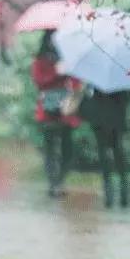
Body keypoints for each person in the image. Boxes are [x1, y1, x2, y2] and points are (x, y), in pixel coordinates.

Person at [30, 31, 81, 198]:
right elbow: (39, 80)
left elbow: (76, 80)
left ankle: (60, 180)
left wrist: (71, 79)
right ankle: (54, 184)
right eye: (52, 38)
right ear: (47, 40)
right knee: (50, 149)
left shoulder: (67, 56)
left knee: (68, 150)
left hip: (66, 109)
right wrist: (56, 72)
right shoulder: (40, 60)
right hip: (48, 110)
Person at [79, 86, 130, 209]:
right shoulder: (120, 79)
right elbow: (125, 99)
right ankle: (123, 189)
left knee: (104, 152)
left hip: (100, 119)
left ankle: (109, 190)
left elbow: (89, 98)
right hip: (116, 118)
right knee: (118, 150)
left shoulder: (96, 79)